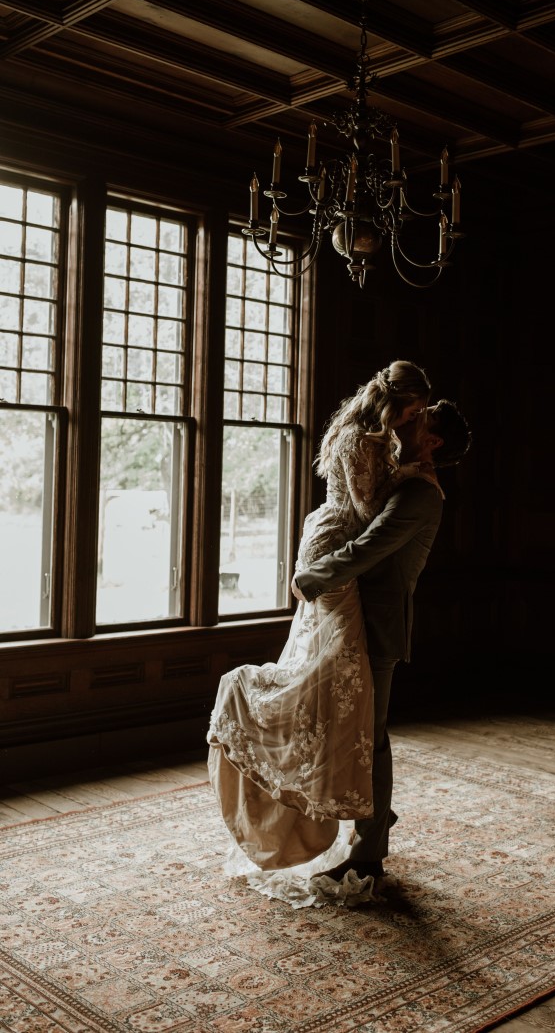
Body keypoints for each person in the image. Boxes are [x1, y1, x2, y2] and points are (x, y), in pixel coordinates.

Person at [207, 361, 431, 894]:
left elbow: (377, 527)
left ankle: (366, 832)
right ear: (395, 403)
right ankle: (365, 827)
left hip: (351, 573)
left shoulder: (403, 466)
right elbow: (367, 514)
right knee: (339, 695)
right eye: (415, 411)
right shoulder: (362, 441)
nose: (416, 421)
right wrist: (408, 471)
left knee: (351, 707)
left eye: (423, 416)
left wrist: (408, 470)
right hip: (333, 556)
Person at [291, 399, 472, 884]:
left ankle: (369, 854)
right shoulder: (401, 478)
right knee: (349, 730)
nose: (411, 419)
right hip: (352, 615)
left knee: (370, 739)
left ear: (432, 441)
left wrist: (313, 577)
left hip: (377, 623)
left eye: (422, 417)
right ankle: (376, 812)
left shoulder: (421, 494)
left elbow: (369, 547)